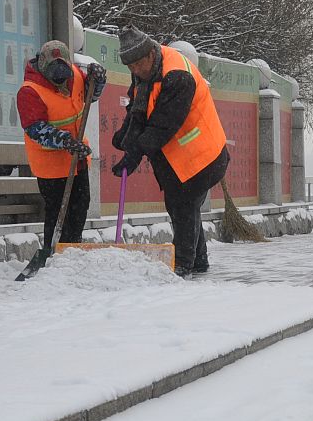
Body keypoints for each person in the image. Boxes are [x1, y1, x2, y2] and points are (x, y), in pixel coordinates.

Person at [111, 27, 229, 277]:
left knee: (183, 204)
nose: (134, 71)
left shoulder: (177, 76)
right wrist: (126, 136)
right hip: (178, 157)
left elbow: (162, 125)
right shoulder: (146, 72)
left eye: (137, 64)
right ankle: (198, 261)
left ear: (150, 55)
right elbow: (139, 110)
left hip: (202, 154)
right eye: (129, 66)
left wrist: (134, 155)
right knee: (180, 206)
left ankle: (183, 265)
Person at [17, 40, 106, 250]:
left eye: (65, 79)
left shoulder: (73, 75)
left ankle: (73, 250)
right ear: (43, 67)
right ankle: (53, 252)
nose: (62, 84)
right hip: (51, 168)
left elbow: (89, 94)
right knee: (58, 214)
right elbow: (35, 129)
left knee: (79, 209)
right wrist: (65, 140)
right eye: (56, 80)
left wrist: (98, 81)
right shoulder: (30, 91)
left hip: (78, 161)